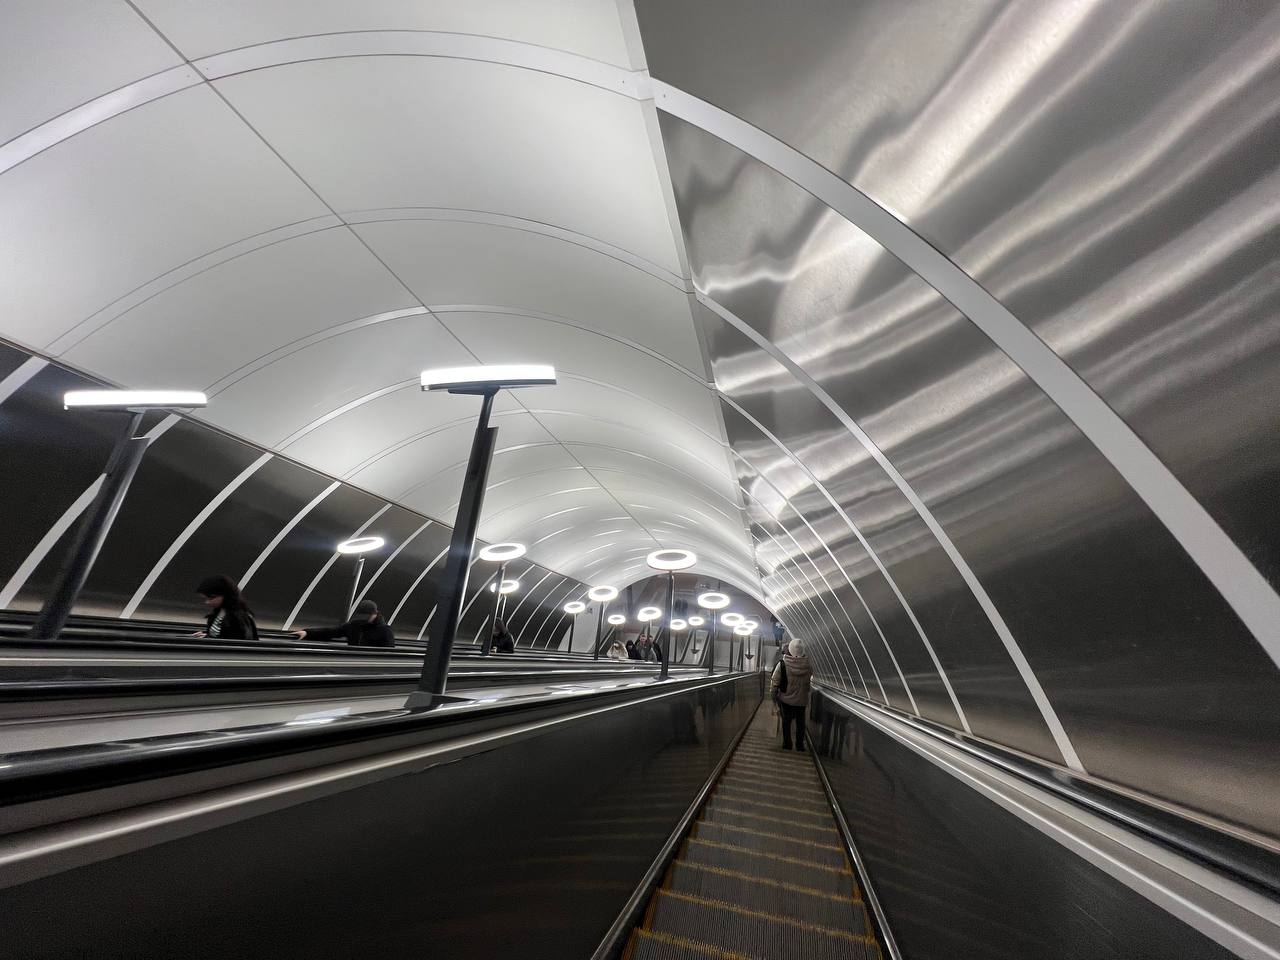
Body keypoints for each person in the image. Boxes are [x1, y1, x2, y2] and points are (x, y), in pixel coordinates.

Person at [292, 599, 395, 648]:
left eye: (367, 616)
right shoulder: (353, 625)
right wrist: (307, 632)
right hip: (352, 663)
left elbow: (389, 653)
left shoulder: (385, 630)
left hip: (371, 666)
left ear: (375, 613)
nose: (364, 619)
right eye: (362, 616)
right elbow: (331, 632)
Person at [770, 639, 813, 751]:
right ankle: (799, 745)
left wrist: (773, 697)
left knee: (786, 722)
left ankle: (787, 744)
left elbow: (774, 682)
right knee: (800, 723)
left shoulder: (782, 664)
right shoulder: (808, 665)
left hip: (786, 699)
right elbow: (809, 681)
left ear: (789, 650)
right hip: (802, 700)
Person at [194, 575, 259, 641]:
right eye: (206, 598)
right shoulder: (219, 612)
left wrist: (207, 638)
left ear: (225, 595)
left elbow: (238, 642)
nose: (207, 602)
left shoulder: (239, 617)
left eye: (211, 597)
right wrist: (206, 636)